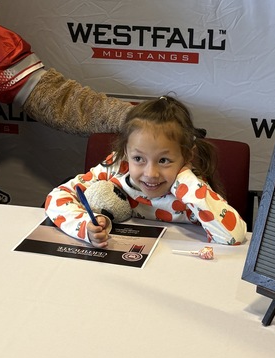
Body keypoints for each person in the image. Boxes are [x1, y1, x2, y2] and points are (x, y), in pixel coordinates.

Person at [45, 96, 247, 247]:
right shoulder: (118, 167)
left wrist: (187, 180)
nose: (151, 173)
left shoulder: (191, 188)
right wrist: (86, 227)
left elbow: (235, 236)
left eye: (164, 160)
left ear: (186, 157)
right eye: (139, 159)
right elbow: (57, 197)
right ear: (125, 153)